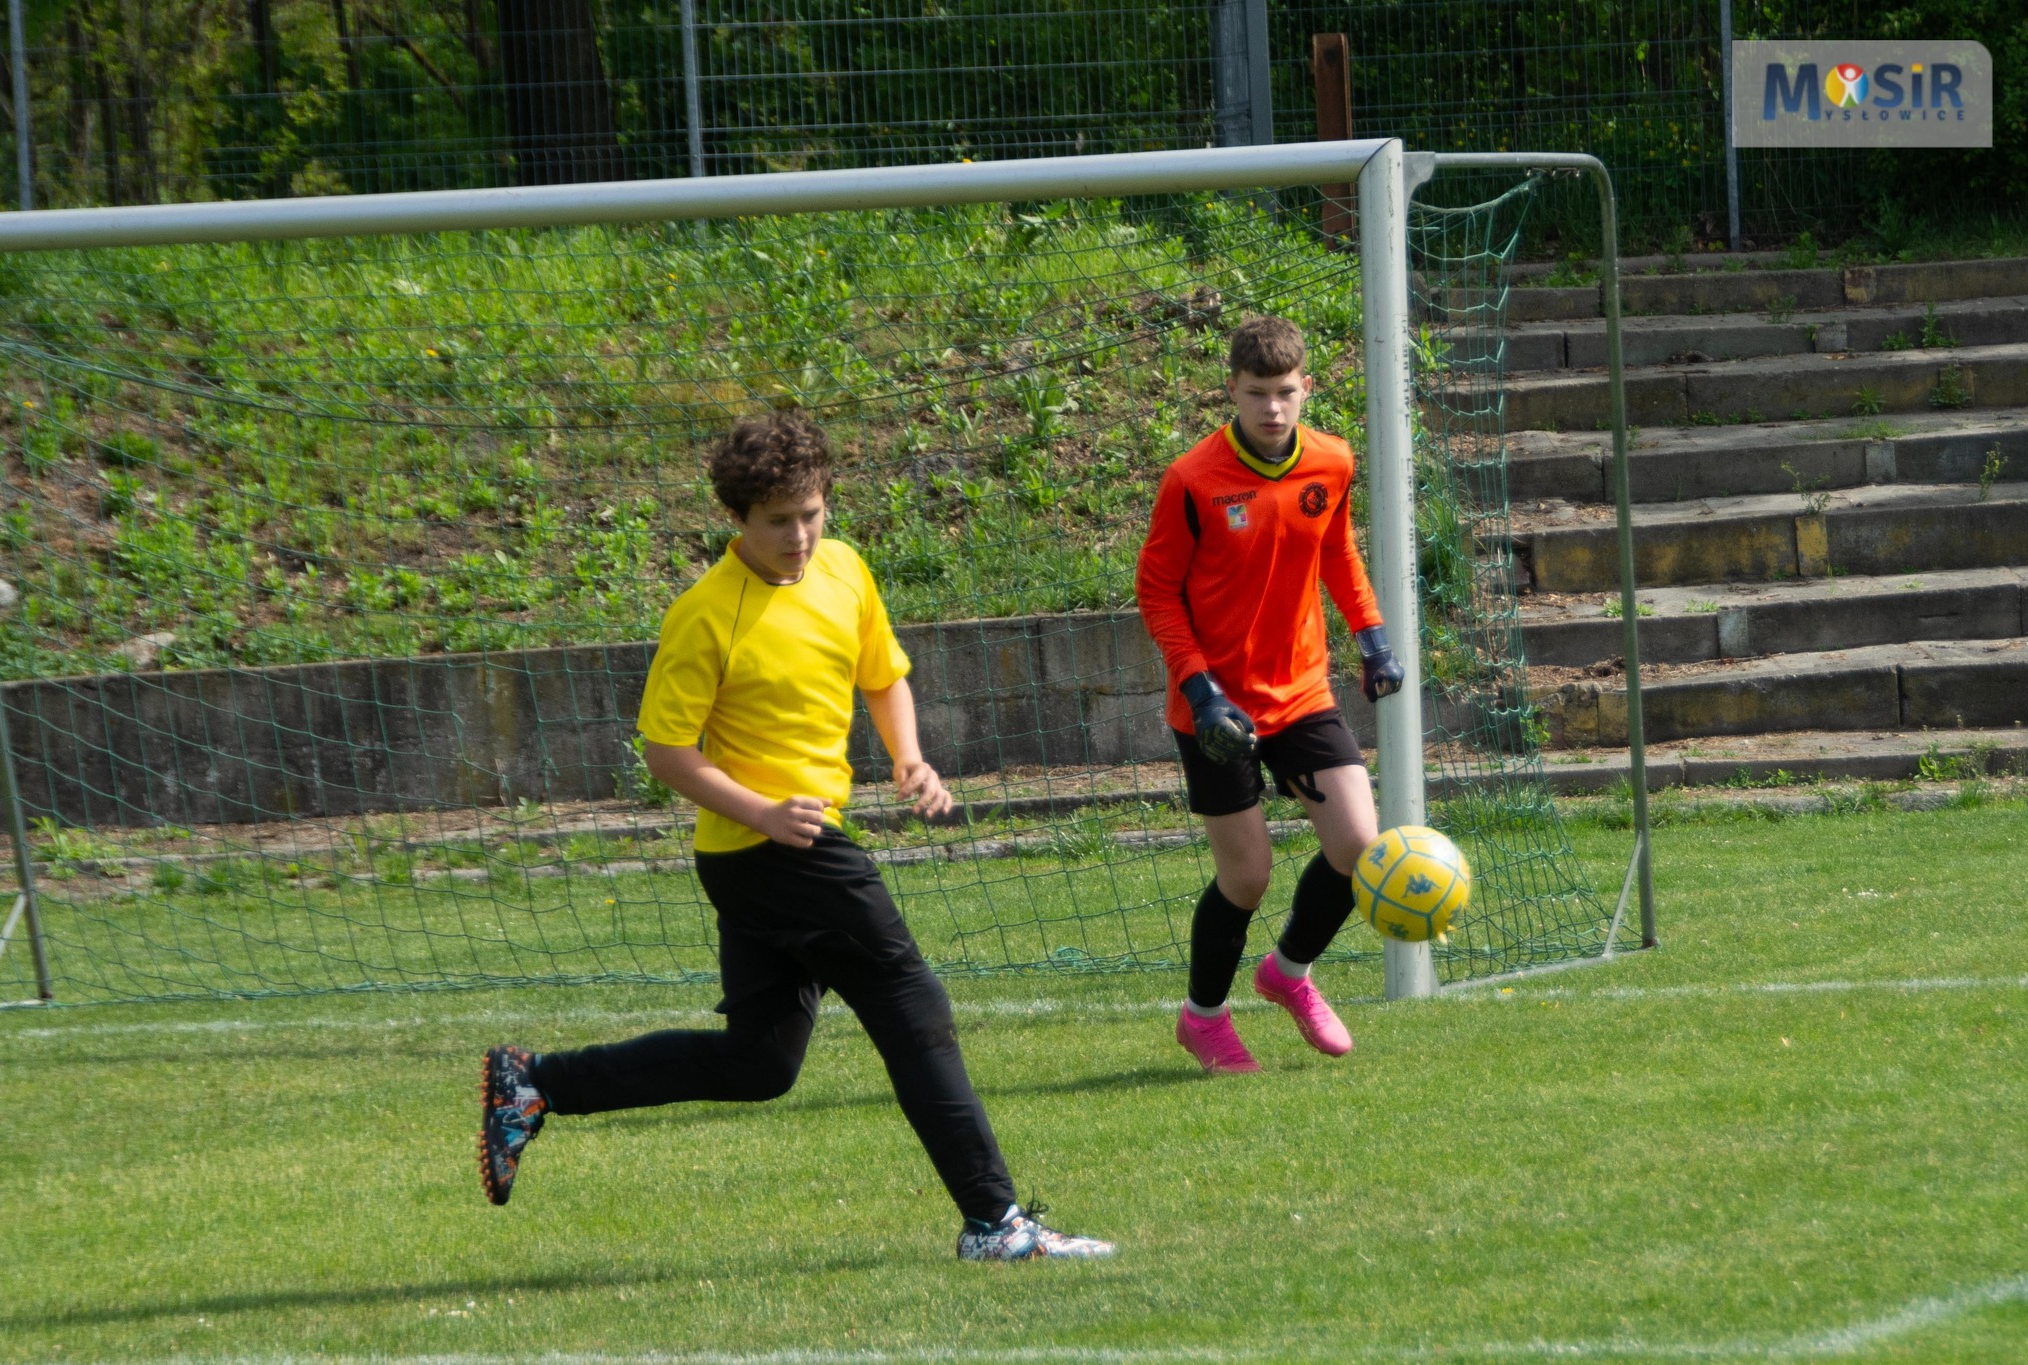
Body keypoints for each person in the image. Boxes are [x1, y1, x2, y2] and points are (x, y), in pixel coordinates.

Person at [476, 414, 1114, 1261]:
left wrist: (909, 757)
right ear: (736, 518)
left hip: (776, 853)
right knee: (912, 1001)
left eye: (811, 513)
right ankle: (996, 1223)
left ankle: (536, 1082)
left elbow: (883, 675)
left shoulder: (844, 569)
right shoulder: (705, 614)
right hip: (773, 850)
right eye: (778, 521)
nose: (800, 536)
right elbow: (666, 750)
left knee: (760, 1065)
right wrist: (764, 812)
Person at [1135, 316, 1405, 1074]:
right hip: (1214, 708)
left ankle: (1287, 973)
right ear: (1232, 390)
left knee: (1359, 849)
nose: (1273, 408)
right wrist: (1199, 688)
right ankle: (1203, 1020)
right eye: (1257, 393)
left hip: (1302, 690)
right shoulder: (1192, 479)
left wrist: (1372, 636)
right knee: (1247, 876)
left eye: (1286, 392)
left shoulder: (1332, 460)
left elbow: (1338, 553)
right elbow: (1157, 592)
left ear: (1306, 387)